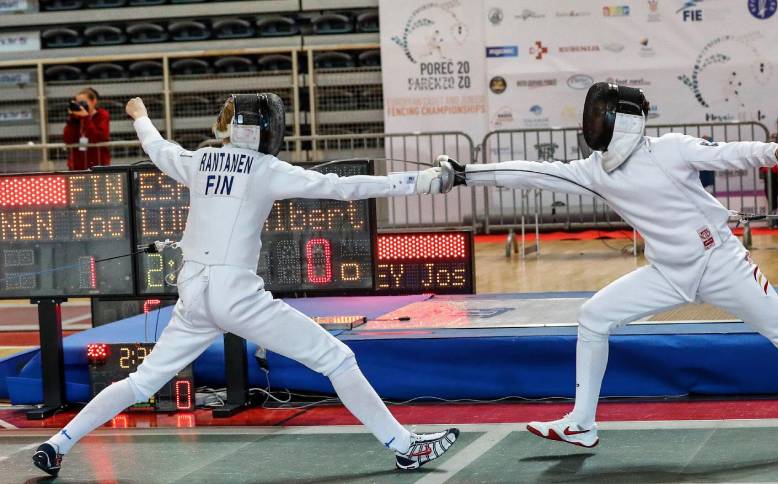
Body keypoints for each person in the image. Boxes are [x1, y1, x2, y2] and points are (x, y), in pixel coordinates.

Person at [429, 82, 778, 450]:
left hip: (720, 263)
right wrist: (468, 173)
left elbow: (725, 155)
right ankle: (581, 424)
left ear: (620, 120)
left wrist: (773, 152)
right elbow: (533, 171)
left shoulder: (668, 148)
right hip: (668, 272)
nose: (592, 126)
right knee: (594, 316)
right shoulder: (595, 170)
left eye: (599, 116)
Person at [32, 94, 458, 477]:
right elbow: (342, 188)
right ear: (263, 131)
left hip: (194, 298)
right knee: (337, 358)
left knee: (142, 383)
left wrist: (140, 116)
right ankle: (403, 447)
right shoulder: (265, 169)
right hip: (236, 296)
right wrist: (422, 181)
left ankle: (57, 444)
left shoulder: (200, 162)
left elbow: (158, 148)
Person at [62, 87, 111, 170]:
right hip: (77, 165)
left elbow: (99, 137)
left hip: (98, 165)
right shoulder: (75, 117)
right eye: (78, 103)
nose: (80, 105)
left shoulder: (102, 115)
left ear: (94, 101)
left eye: (83, 102)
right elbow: (68, 139)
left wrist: (86, 117)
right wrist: (72, 119)